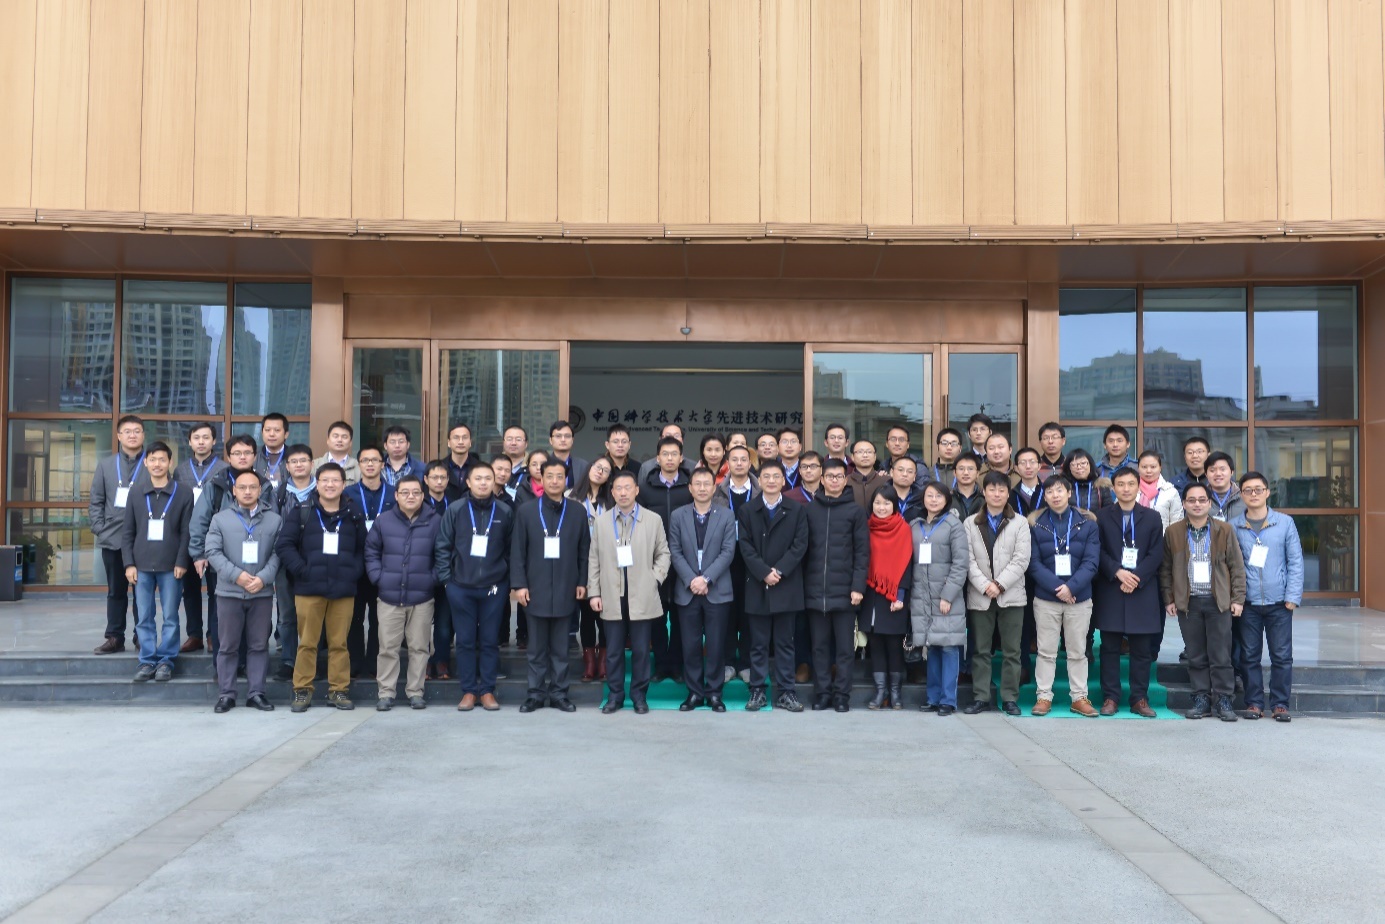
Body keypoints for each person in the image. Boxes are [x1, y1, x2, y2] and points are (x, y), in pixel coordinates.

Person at [275, 462, 367, 712]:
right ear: (317, 483)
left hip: (343, 589)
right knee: (307, 642)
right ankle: (302, 690)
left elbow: (363, 548)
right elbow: (284, 545)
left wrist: (354, 572)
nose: (330, 485)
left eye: (335, 480)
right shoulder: (303, 511)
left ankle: (339, 690)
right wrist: (303, 570)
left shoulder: (353, 513)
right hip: (309, 589)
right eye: (325, 480)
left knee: (339, 643)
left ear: (343, 484)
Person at [588, 469, 672, 714]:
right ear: (612, 492)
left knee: (641, 650)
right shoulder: (602, 522)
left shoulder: (652, 520)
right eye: (618, 488)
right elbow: (594, 559)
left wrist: (654, 579)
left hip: (642, 593)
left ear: (636, 490)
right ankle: (615, 696)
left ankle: (639, 696)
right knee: (613, 651)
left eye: (628, 488)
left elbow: (664, 553)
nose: (623, 492)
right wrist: (594, 592)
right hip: (611, 594)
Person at [1161, 482, 1247, 722]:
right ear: (1184, 504)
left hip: (1218, 601)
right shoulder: (1174, 532)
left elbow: (1236, 567)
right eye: (1191, 500)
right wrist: (1169, 598)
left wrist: (1238, 598)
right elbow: (1165, 569)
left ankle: (1224, 699)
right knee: (1196, 654)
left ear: (1209, 503)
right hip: (1188, 603)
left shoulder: (1224, 530)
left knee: (1221, 654)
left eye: (1202, 500)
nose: (1197, 504)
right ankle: (1201, 698)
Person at [511, 459, 590, 712]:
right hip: (535, 589)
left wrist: (582, 581)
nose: (555, 481)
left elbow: (584, 551)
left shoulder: (577, 512)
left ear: (566, 480)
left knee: (560, 649)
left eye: (559, 476)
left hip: (567, 587)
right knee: (535, 649)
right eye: (550, 476)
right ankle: (535, 694)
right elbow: (517, 551)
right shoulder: (526, 511)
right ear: (541, 479)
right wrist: (519, 584)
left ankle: (559, 694)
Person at [188, 435, 275, 661]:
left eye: (247, 453)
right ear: (229, 456)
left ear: (255, 456)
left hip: (258, 562)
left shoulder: (264, 486)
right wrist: (198, 553)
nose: (242, 457)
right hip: (223, 561)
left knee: (256, 613)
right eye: (237, 453)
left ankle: (248, 662)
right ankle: (224, 665)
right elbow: (200, 520)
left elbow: (274, 523)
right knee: (221, 613)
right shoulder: (216, 484)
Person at [204, 468, 283, 713]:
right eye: (242, 487)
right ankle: (226, 694)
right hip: (229, 592)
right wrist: (236, 575)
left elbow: (278, 553)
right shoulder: (220, 519)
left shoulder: (274, 520)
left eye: (252, 487)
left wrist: (263, 578)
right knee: (228, 646)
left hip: (261, 592)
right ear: (234, 491)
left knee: (259, 645)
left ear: (260, 490)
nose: (247, 491)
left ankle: (256, 693)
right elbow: (212, 552)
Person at [437, 462, 513, 712]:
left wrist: (506, 581)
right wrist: (447, 580)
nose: (483, 483)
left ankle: (487, 690)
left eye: (487, 478)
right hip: (460, 586)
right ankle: (469, 690)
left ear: (494, 482)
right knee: (465, 641)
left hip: (494, 588)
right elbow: (443, 545)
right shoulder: (456, 509)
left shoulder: (504, 511)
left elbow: (512, 549)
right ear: (468, 482)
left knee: (490, 640)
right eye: (478, 478)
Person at [735, 460, 809, 712]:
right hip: (758, 585)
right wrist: (764, 572)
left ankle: (787, 692)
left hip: (786, 585)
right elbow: (745, 546)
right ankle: (757, 690)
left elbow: (800, 545)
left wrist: (779, 570)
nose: (771, 481)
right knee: (758, 644)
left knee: (785, 643)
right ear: (759, 480)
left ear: (783, 480)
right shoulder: (747, 510)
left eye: (776, 476)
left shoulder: (796, 510)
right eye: (766, 476)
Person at [1093, 467, 1166, 717]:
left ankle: (1139, 698)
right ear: (1113, 488)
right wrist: (1117, 572)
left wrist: (1136, 577)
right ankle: (1111, 697)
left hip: (1142, 589)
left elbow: (1156, 553)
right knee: (1109, 648)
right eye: (1121, 484)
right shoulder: (1102, 517)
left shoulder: (1152, 517)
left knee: (1142, 650)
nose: (1126, 489)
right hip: (1111, 587)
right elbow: (1097, 550)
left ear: (1138, 487)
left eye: (1131, 484)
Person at [1231, 471, 1303, 722]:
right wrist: (1236, 598)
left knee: (1281, 655)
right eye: (1248, 490)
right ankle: (1254, 703)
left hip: (1279, 602)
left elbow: (1295, 561)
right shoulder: (1234, 526)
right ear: (1241, 494)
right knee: (1249, 655)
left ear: (1267, 492)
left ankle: (1280, 704)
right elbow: (1232, 566)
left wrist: (1292, 595)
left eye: (1258, 489)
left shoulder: (1284, 523)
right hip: (1248, 603)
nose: (1253, 494)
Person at [1026, 475, 1101, 717]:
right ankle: (1043, 696)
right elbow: (1034, 564)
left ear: (1069, 493)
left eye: (1059, 490)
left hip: (1079, 598)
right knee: (1046, 651)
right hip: (1046, 598)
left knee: (1077, 651)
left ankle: (1079, 697)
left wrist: (1072, 588)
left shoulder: (1087, 523)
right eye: (1049, 492)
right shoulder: (1036, 525)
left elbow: (1091, 562)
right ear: (1045, 496)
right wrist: (1060, 588)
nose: (1055, 495)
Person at [365, 475, 441, 711]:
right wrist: (378, 577)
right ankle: (386, 693)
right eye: (405, 492)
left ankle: (415, 692)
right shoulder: (384, 521)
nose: (411, 496)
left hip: (422, 597)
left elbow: (444, 555)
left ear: (423, 495)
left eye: (416, 492)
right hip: (389, 596)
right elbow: (371, 551)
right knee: (388, 648)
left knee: (419, 647)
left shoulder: (435, 521)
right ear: (396, 496)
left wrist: (432, 579)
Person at [122, 441, 194, 683]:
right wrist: (129, 564)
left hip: (171, 565)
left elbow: (186, 532)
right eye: (152, 459)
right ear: (145, 462)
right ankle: (147, 660)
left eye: (162, 459)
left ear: (170, 462)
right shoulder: (136, 492)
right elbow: (127, 531)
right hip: (141, 565)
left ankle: (166, 661)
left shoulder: (183, 493)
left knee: (171, 615)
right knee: (144, 616)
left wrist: (182, 561)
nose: (157, 464)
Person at [961, 472, 1032, 715]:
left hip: (1011, 595)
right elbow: (967, 559)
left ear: (1008, 493)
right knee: (981, 650)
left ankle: (1010, 698)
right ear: (984, 492)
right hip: (980, 594)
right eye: (992, 489)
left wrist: (999, 584)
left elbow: (1022, 559)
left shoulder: (1020, 522)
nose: (997, 494)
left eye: (1002, 490)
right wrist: (984, 585)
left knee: (1012, 651)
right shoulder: (970, 523)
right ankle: (981, 697)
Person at [669, 468, 739, 712]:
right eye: (696, 484)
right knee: (690, 645)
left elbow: (728, 552)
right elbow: (674, 551)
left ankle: (715, 693)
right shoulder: (678, 515)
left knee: (716, 645)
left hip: (716, 589)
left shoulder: (727, 515)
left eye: (706, 484)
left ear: (713, 487)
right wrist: (692, 580)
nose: (701, 488)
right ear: (690, 488)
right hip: (687, 590)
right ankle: (695, 693)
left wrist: (706, 579)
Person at [802, 458, 868, 712]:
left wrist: (858, 587)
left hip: (846, 592)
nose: (834, 481)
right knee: (819, 647)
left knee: (844, 649)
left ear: (845, 479)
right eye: (829, 477)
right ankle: (822, 693)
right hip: (815, 590)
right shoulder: (810, 510)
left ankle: (841, 695)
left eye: (839, 477)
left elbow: (862, 553)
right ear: (822, 479)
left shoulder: (855, 511)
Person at [908, 482, 968, 716]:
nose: (933, 500)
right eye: (929, 496)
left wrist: (948, 595)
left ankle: (948, 700)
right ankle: (932, 698)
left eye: (938, 496)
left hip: (945, 597)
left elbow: (961, 564)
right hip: (921, 596)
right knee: (931, 646)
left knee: (949, 648)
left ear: (946, 500)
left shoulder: (954, 525)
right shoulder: (915, 525)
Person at [90, 414, 149, 654]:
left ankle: (142, 636)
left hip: (144, 540)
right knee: (116, 591)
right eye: (127, 431)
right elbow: (96, 500)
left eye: (137, 431)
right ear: (118, 436)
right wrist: (100, 528)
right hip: (113, 538)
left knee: (142, 591)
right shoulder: (106, 465)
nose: (132, 435)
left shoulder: (153, 462)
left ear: (143, 434)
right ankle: (115, 637)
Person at [639, 436, 693, 683]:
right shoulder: (646, 487)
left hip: (685, 560)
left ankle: (677, 665)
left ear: (681, 458)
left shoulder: (690, 486)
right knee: (657, 616)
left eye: (674, 454)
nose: (670, 458)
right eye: (665, 454)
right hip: (654, 560)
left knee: (681, 615)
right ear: (657, 458)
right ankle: (661, 665)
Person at [858, 486, 913, 710]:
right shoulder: (866, 527)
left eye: (886, 503)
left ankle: (895, 693)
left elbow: (907, 564)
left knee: (893, 644)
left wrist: (900, 595)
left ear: (894, 505)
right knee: (876, 644)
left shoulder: (904, 529)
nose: (881, 508)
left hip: (893, 595)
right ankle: (880, 691)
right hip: (871, 593)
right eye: (877, 503)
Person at [173, 421, 224, 653]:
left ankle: (214, 634)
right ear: (190, 441)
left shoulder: (223, 468)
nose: (201, 442)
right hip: (187, 536)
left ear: (214, 441)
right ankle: (194, 635)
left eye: (206, 437)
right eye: (197, 438)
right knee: (190, 589)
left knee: (215, 589)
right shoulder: (180, 470)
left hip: (216, 535)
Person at [347, 447, 396, 678]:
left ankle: (376, 663)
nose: (369, 464)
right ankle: (355, 663)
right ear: (358, 464)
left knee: (380, 620)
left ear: (382, 464)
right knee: (354, 618)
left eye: (374, 460)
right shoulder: (348, 494)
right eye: (365, 460)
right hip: (355, 565)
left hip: (385, 565)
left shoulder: (394, 494)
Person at [713, 444, 758, 684]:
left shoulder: (760, 490)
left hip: (753, 560)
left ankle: (747, 663)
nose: (739, 463)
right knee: (727, 613)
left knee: (749, 612)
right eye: (734, 459)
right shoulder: (717, 492)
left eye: (743, 459)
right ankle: (728, 662)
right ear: (727, 464)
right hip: (725, 560)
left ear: (750, 463)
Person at [272, 444, 318, 680]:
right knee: (287, 614)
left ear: (312, 463)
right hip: (284, 561)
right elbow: (271, 525)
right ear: (287, 466)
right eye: (294, 461)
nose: (299, 465)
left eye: (303, 460)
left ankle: (313, 661)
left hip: (316, 561)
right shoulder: (278, 493)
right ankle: (288, 661)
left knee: (314, 614)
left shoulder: (322, 490)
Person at [571, 456, 613, 681]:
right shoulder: (571, 497)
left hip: (607, 565)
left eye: (606, 470)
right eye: (598, 467)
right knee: (586, 614)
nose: (600, 472)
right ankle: (589, 661)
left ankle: (603, 661)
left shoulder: (611, 501)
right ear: (589, 468)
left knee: (605, 614)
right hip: (580, 563)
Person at [1136, 450, 1184, 531]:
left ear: (1160, 468)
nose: (1148, 471)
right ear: (1138, 468)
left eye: (1153, 467)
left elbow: (1177, 523)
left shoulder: (1170, 491)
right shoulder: (1130, 490)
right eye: (1144, 467)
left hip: (1162, 538)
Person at [312, 420, 361, 485]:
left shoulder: (359, 466)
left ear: (350, 443)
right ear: (328, 440)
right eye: (335, 436)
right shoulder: (314, 465)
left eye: (344, 437)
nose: (339, 440)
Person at [547, 419, 589, 490]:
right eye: (558, 436)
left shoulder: (583, 466)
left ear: (572, 440)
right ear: (551, 440)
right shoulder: (543, 463)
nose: (563, 440)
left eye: (567, 436)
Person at [1204, 451, 1245, 522]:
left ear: (1232, 472)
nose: (1218, 474)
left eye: (1222, 469)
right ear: (1206, 474)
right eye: (1212, 470)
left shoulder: (1244, 496)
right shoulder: (1199, 498)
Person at [848, 439, 888, 509]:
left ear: (875, 457)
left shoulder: (886, 481)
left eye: (869, 452)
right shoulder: (845, 482)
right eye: (860, 452)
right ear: (852, 457)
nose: (865, 455)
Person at [1064, 449, 1107, 513]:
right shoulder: (1064, 486)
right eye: (1074, 464)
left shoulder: (1102, 486)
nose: (1079, 467)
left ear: (1090, 464)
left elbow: (1108, 511)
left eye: (1083, 463)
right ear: (1068, 468)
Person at [255, 412, 290, 490]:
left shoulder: (293, 455)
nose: (271, 434)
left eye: (277, 430)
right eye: (267, 430)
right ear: (262, 433)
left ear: (286, 434)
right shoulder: (253, 455)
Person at [443, 422, 480, 491]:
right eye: (456, 438)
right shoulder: (440, 467)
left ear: (470, 442)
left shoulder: (479, 467)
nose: (460, 442)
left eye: (465, 438)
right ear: (448, 442)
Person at [1011, 447, 1046, 517]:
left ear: (1039, 466)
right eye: (1023, 463)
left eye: (1032, 462)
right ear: (1016, 468)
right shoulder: (1011, 495)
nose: (1028, 466)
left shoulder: (1047, 492)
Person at [887, 456, 924, 521]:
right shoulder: (881, 495)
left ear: (914, 476)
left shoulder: (922, 498)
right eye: (900, 470)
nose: (905, 474)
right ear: (891, 472)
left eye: (910, 471)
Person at [949, 455, 984, 520]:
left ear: (977, 473)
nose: (966, 473)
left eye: (970, 469)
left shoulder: (985, 499)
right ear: (954, 473)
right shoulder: (947, 499)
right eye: (961, 469)